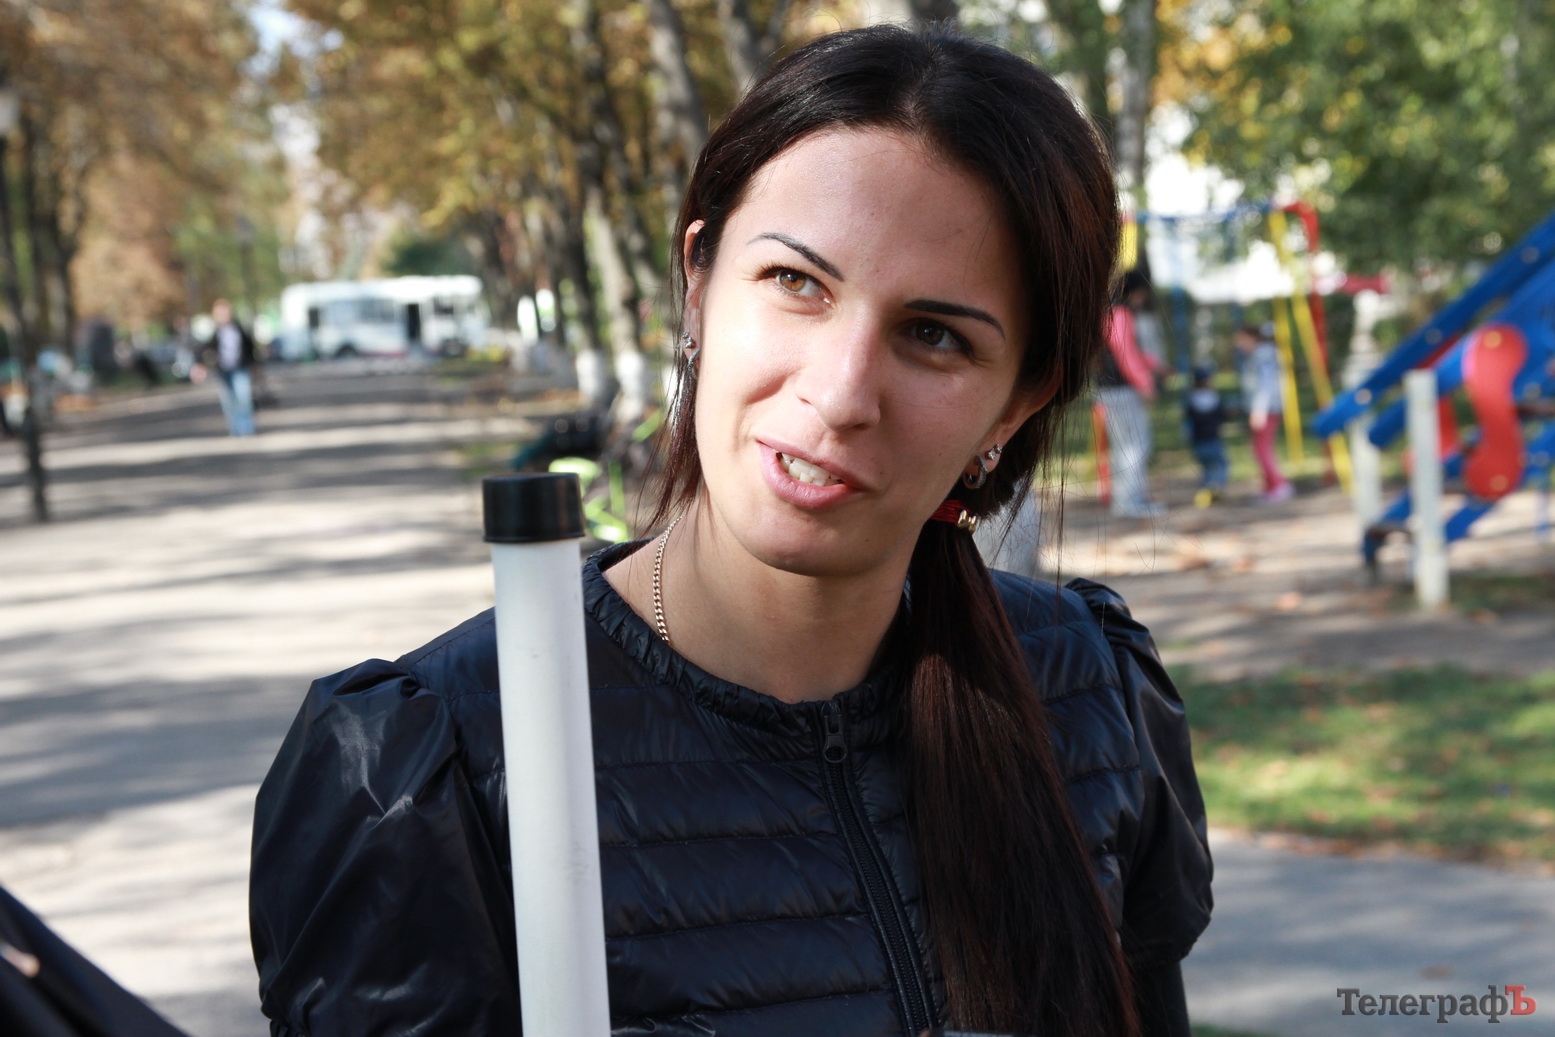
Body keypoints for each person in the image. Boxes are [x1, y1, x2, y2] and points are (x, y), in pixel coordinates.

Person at [250, 26, 1212, 1037]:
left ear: (1014, 405)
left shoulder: (1087, 695)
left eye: (933, 335)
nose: (840, 393)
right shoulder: (429, 774)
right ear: (698, 283)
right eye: (797, 282)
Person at [1096, 271, 1166, 518]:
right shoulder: (1121, 314)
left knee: (1124, 446)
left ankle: (1126, 501)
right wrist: (1146, 384)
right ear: (1136, 291)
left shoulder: (1106, 313)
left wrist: (1154, 365)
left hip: (1109, 390)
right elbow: (1125, 354)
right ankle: (1131, 501)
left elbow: (1126, 352)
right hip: (1122, 390)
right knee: (1136, 445)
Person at [1234, 323, 1292, 502]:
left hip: (1266, 409)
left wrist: (1259, 409)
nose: (1238, 344)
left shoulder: (1263, 355)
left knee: (1262, 449)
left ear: (1252, 338)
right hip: (1262, 408)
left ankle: (1278, 486)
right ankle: (1270, 487)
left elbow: (1266, 384)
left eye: (1241, 339)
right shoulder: (1258, 355)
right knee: (1259, 449)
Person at [201, 299, 258, 437]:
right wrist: (201, 365)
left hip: (240, 369)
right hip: (223, 371)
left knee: (243, 398)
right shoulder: (216, 332)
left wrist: (255, 366)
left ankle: (246, 428)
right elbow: (206, 349)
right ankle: (235, 428)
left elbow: (250, 349)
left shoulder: (239, 329)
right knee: (229, 401)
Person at [1183, 364, 1229, 508]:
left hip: (1198, 441)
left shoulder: (1191, 399)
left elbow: (1188, 422)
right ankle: (1213, 489)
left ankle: (1205, 491)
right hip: (1213, 439)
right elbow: (1221, 415)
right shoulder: (1214, 398)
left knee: (1206, 468)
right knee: (1221, 464)